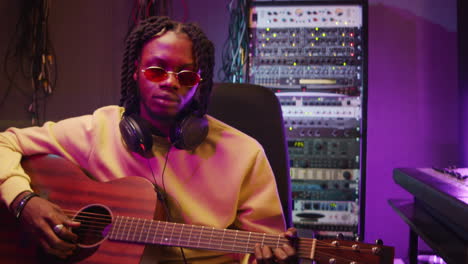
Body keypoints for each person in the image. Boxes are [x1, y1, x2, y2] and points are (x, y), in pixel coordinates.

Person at [0, 16, 296, 263]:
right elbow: (4, 143)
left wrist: (270, 259)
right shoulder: (98, 130)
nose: (170, 82)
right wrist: (23, 201)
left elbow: (265, 247)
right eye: (157, 71)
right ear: (135, 73)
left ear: (199, 85)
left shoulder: (245, 154)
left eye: (186, 75)